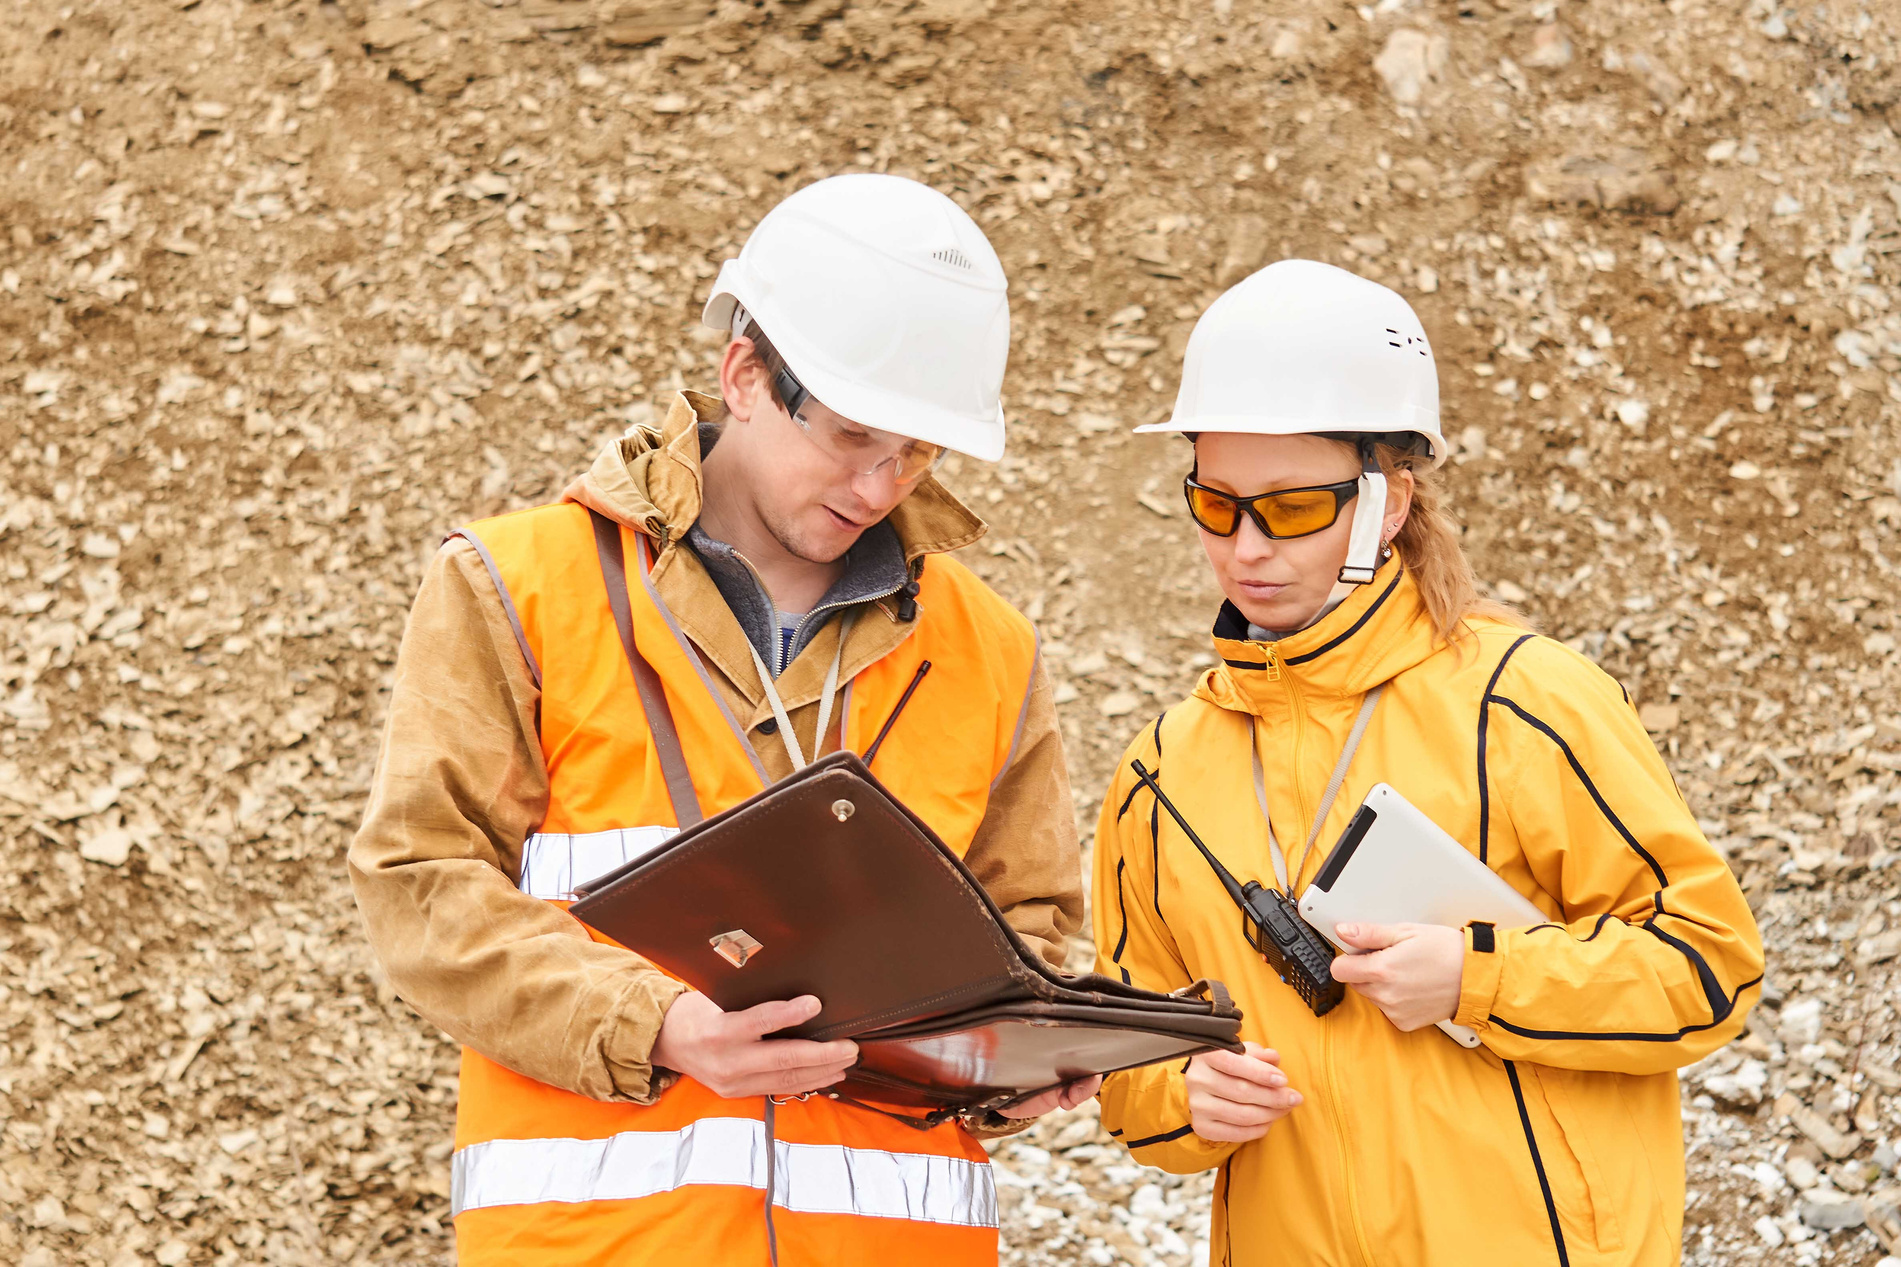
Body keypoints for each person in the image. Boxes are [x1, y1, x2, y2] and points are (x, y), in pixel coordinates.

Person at [350, 173, 1099, 1266]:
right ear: (744, 373)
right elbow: (420, 888)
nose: (883, 485)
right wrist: (658, 1026)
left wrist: (1012, 1065)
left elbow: (1025, 933)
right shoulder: (518, 587)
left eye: (919, 454)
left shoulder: (986, 648)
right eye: (853, 436)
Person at [1092, 259, 1764, 1266]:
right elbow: (1121, 1074)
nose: (1244, 547)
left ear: (1389, 500)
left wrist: (1476, 978)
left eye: (1290, 508)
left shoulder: (1526, 704)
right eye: (1215, 502)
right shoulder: (1157, 777)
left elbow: (1708, 967)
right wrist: (1182, 1099)